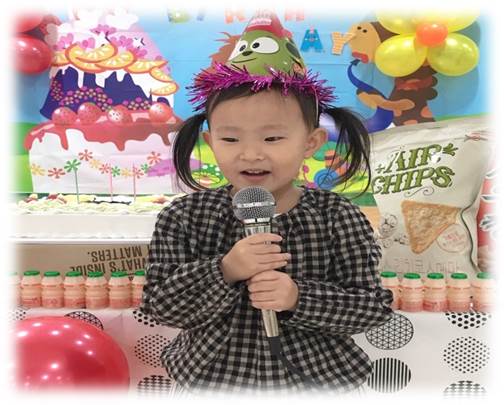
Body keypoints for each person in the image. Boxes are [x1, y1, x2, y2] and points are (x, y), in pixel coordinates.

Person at [140, 10, 393, 396]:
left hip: (317, 382)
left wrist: (298, 297)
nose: (251, 154)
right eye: (230, 139)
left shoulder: (339, 217)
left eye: (272, 138)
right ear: (210, 143)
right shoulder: (184, 216)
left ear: (310, 143)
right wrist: (224, 270)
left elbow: (372, 308)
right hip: (210, 381)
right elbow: (160, 306)